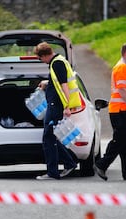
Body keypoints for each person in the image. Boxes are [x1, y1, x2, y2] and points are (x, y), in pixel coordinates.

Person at [93, 43, 126, 181]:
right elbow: (121, 90)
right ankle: (101, 164)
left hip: (123, 110)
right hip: (121, 110)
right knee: (120, 140)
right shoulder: (122, 67)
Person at [34, 42, 77, 180]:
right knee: (51, 137)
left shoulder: (57, 63)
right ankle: (69, 163)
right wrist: (47, 83)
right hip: (54, 105)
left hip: (56, 106)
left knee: (48, 137)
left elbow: (64, 85)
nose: (41, 61)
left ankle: (53, 172)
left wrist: (67, 107)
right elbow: (57, 81)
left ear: (45, 55)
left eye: (40, 59)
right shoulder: (57, 62)